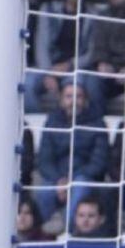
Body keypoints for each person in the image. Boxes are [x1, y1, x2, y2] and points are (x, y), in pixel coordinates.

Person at [35, 81, 107, 226]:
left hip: (84, 178)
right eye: (68, 96)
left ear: (85, 100)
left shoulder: (98, 123)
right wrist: (59, 180)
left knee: (80, 189)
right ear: (61, 100)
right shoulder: (52, 122)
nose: (73, 101)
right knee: (44, 193)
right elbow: (44, 159)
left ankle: (69, 234)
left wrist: (71, 181)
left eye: (78, 96)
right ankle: (39, 235)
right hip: (56, 178)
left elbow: (99, 162)